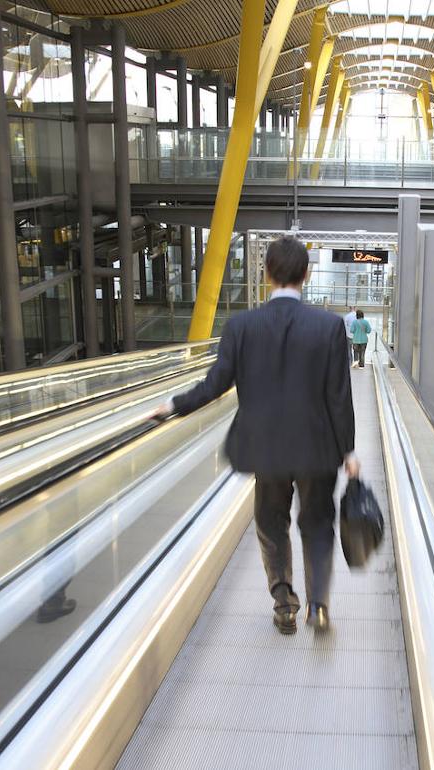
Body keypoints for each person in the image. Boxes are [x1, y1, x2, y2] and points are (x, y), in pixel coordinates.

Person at [153, 236, 357, 635]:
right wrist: (348, 449)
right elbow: (339, 396)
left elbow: (215, 384)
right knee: (317, 523)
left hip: (266, 449)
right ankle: (319, 605)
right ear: (306, 275)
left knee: (270, 523)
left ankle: (284, 602)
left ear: (266, 275)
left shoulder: (242, 326)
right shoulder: (329, 327)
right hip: (317, 448)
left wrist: (174, 406)